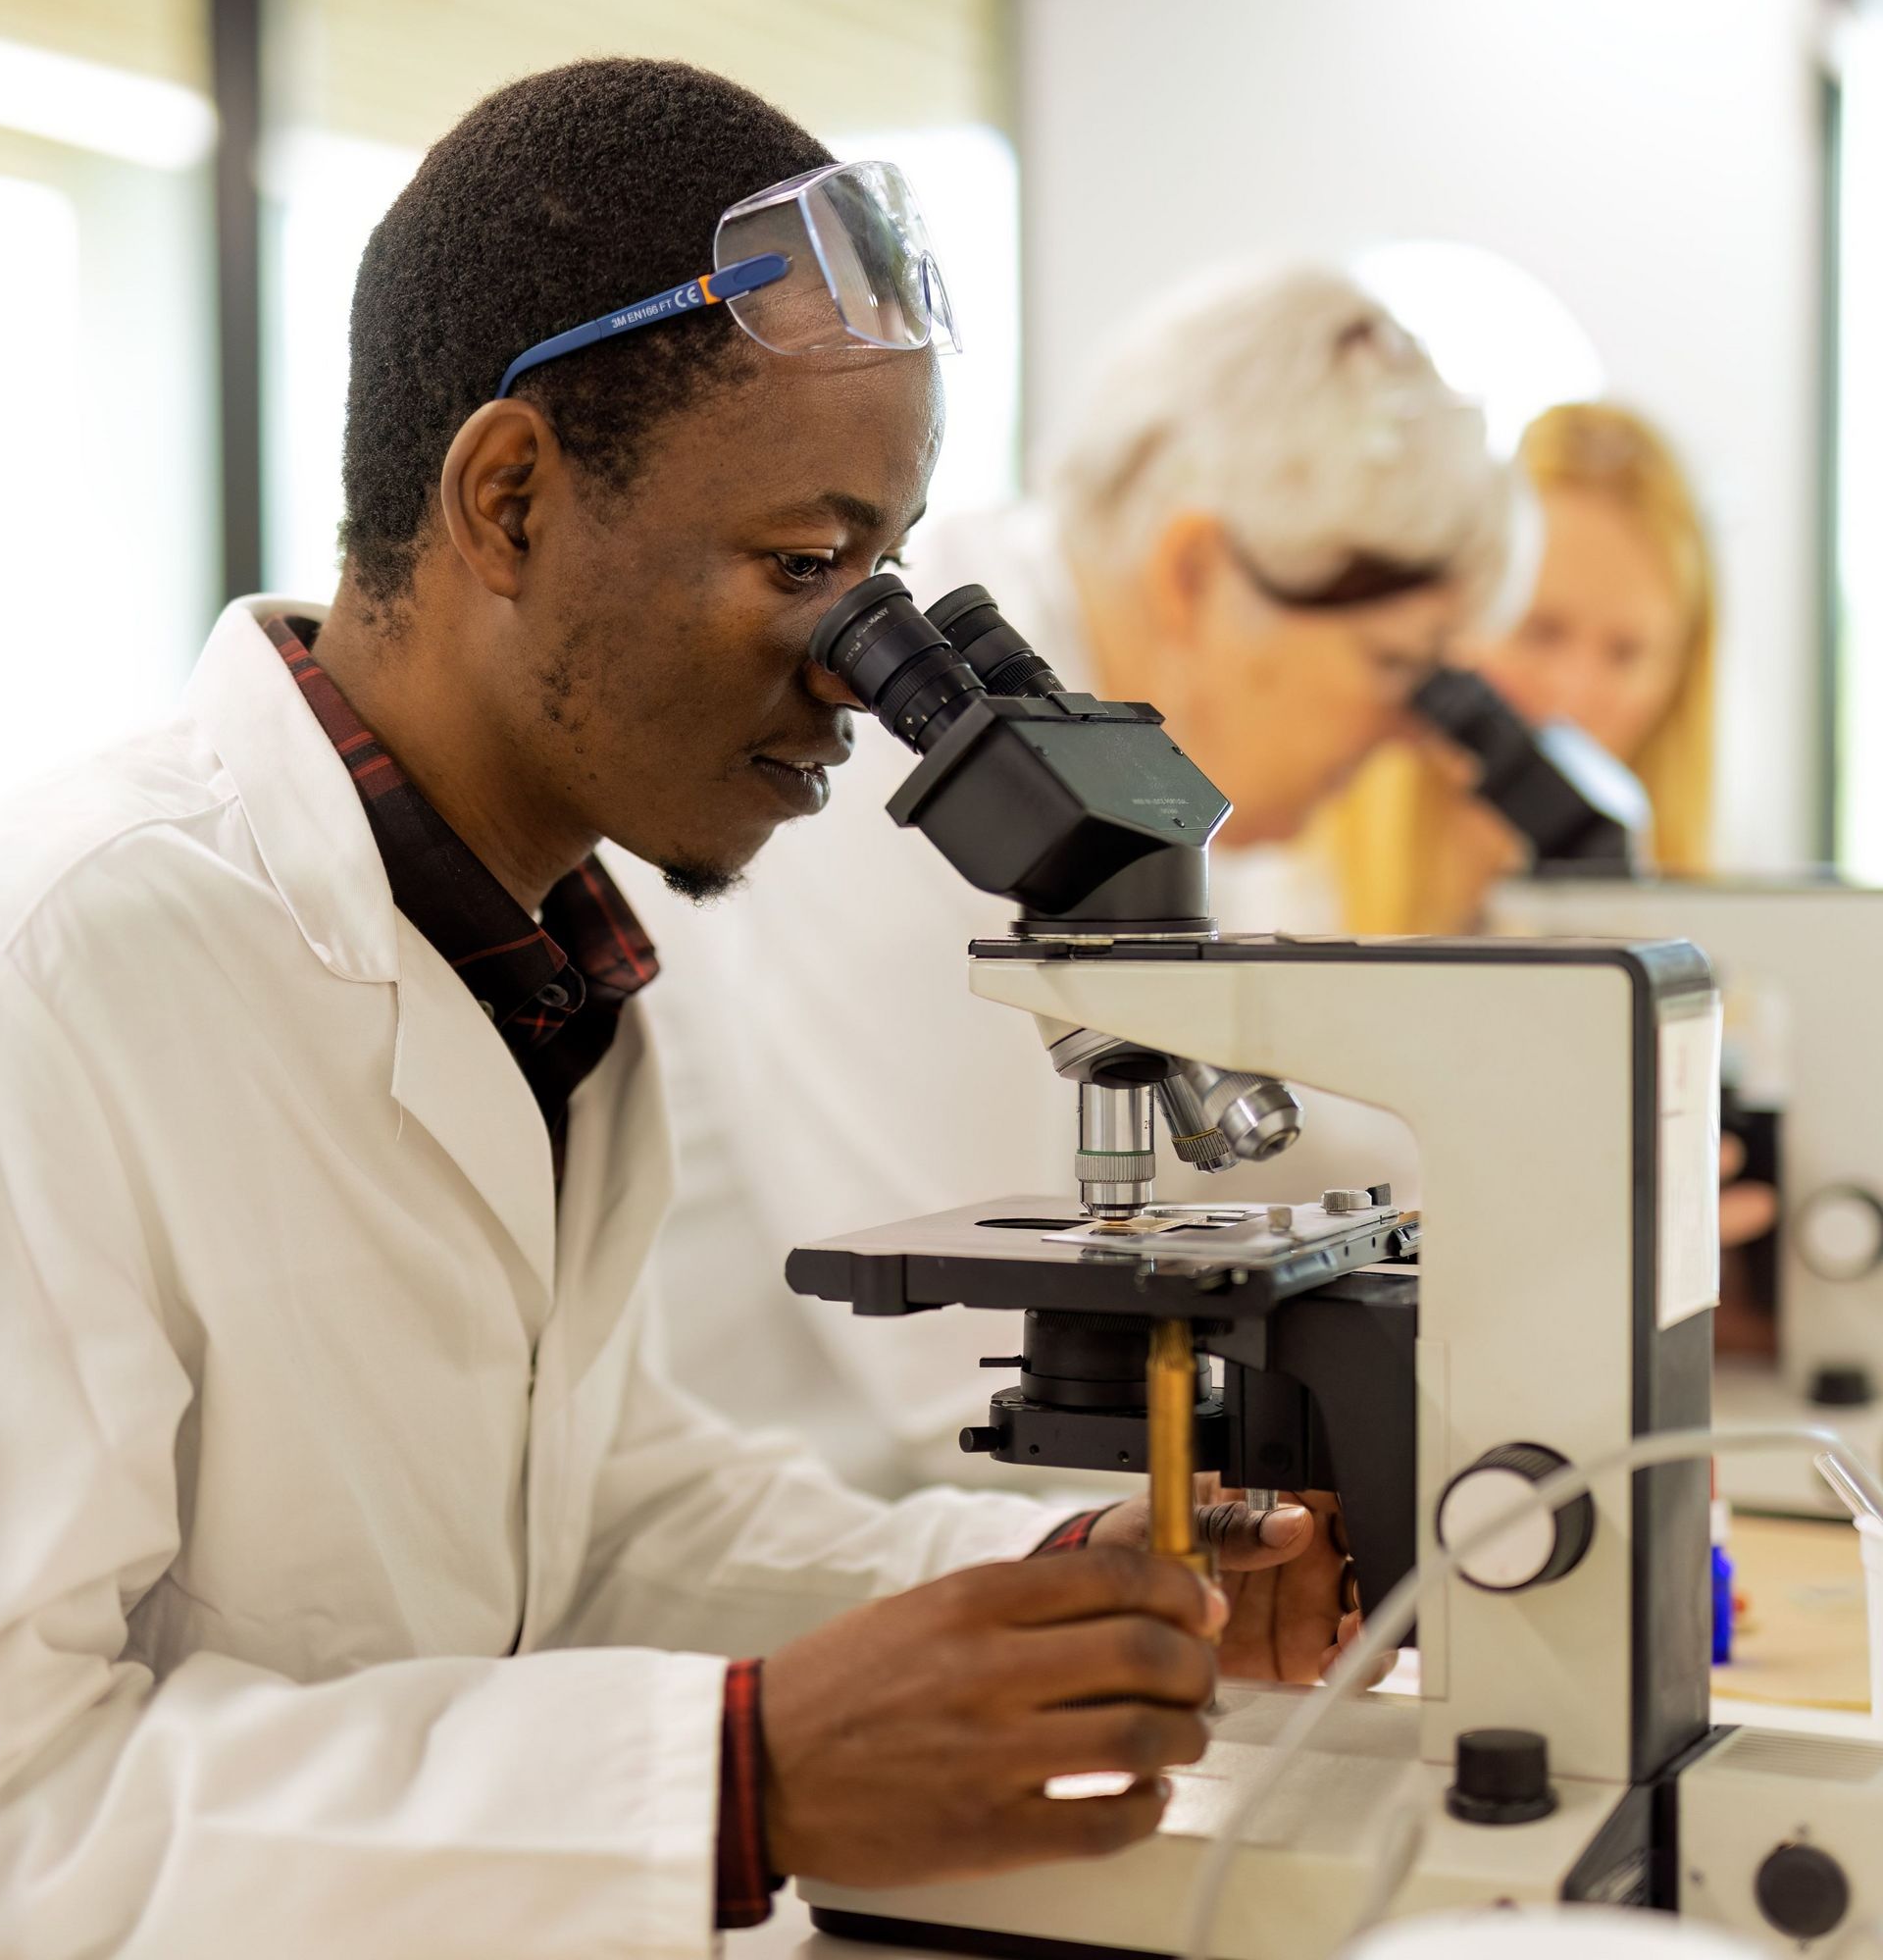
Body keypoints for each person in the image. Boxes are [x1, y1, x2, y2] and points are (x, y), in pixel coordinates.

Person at [0, 63, 1356, 1959]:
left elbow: (586, 1522)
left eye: (886, 570)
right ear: (506, 499)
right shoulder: (46, 967)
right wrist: (732, 1779)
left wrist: (1065, 1581)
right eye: (802, 567)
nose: (863, 675)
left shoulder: (544, 966)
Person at [612, 266, 1518, 1493]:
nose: (1410, 736)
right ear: (1198, 571)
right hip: (787, 1547)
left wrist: (1505, 1159)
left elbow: (1258, 1135)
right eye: (1395, 664)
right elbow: (957, 1375)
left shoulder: (1150, 756)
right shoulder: (906, 764)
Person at [1315, 399, 1715, 937]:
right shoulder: (1297, 865)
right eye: (1541, 632)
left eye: (1626, 653)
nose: (1574, 694)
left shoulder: (1726, 872)